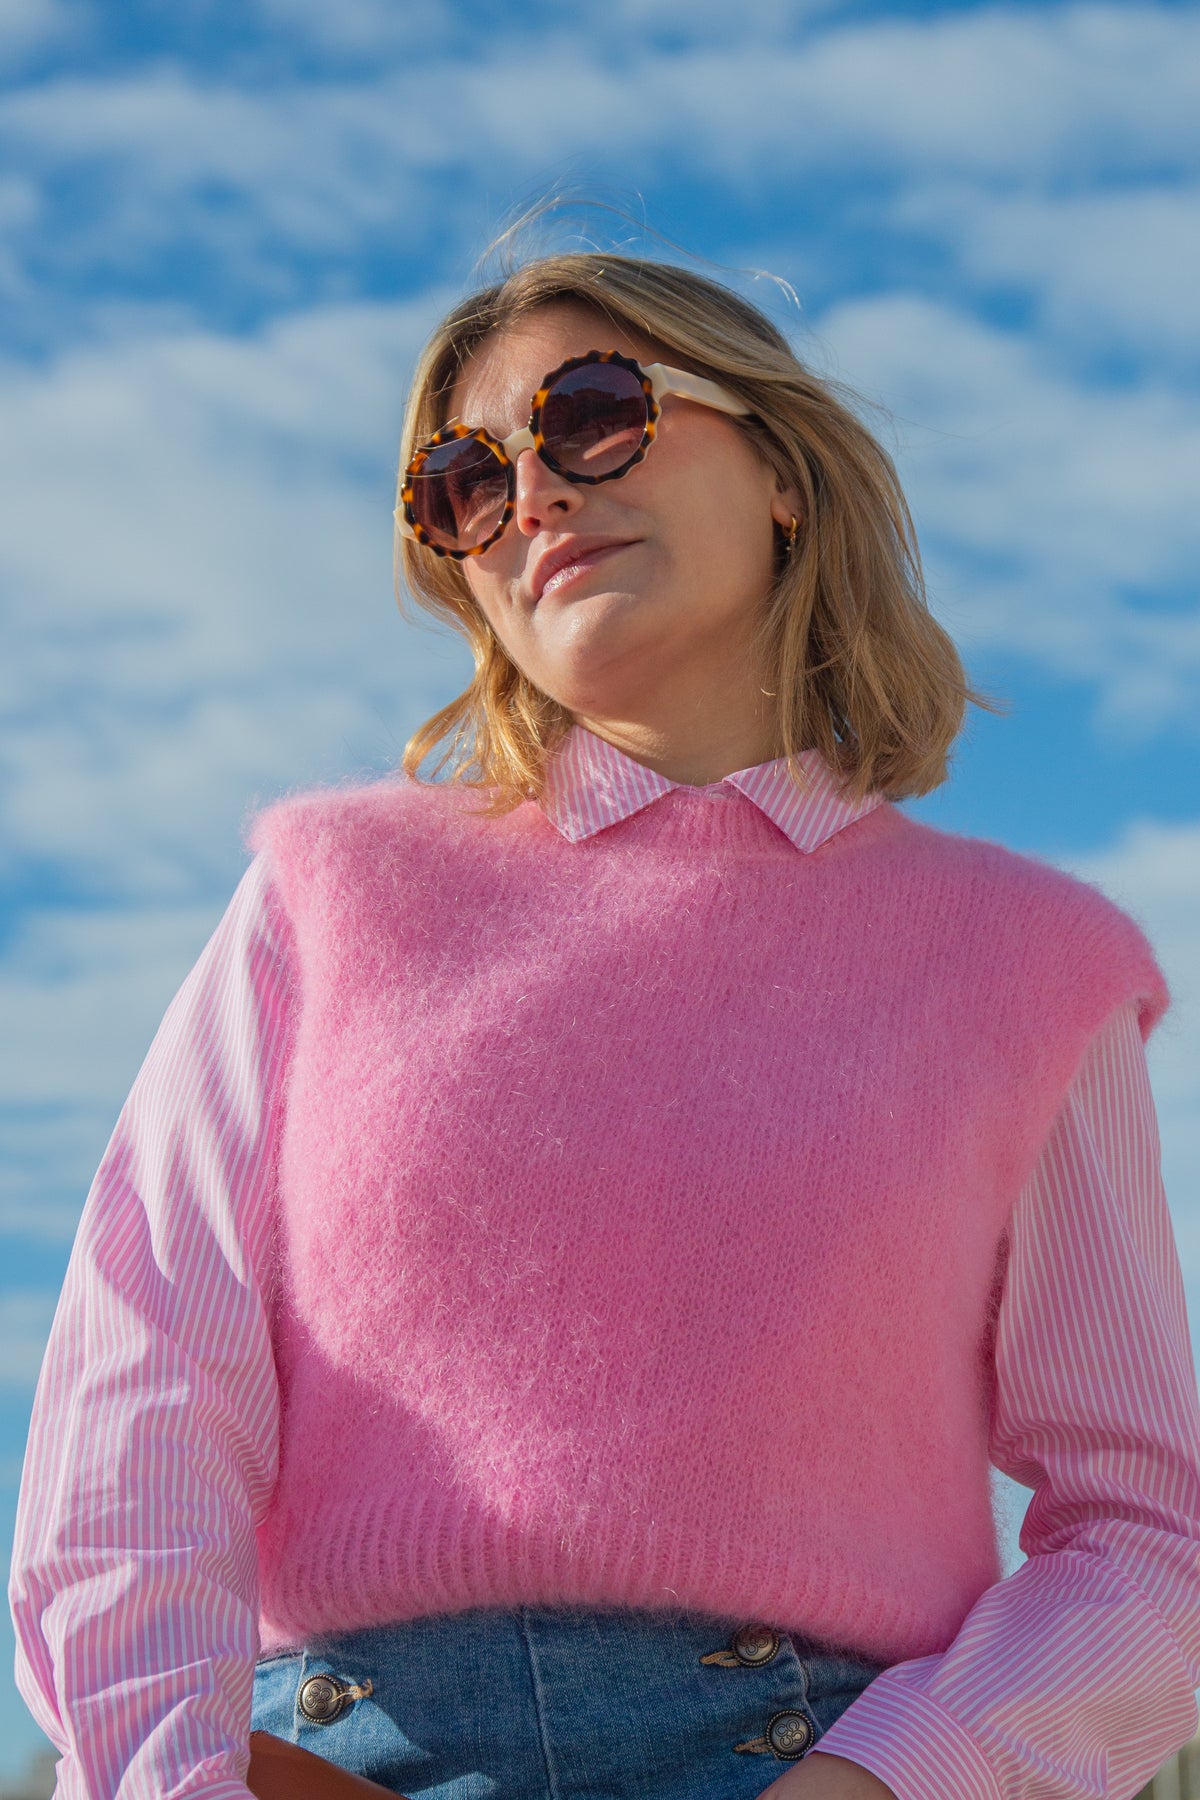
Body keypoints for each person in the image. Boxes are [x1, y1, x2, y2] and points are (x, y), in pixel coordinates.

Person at [9, 251, 1200, 1800]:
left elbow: (1146, 1536)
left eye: (590, 413)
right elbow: (141, 1403)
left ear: (782, 470)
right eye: (464, 484)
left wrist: (897, 1778)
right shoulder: (324, 897)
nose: (534, 497)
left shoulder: (1031, 963)